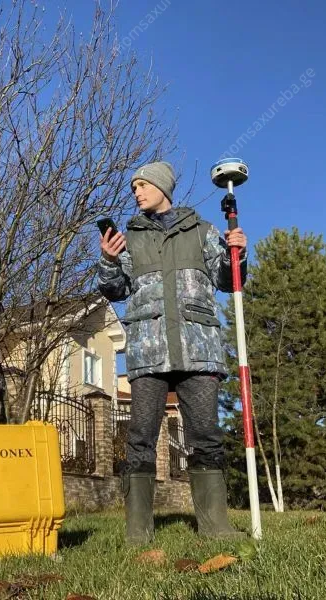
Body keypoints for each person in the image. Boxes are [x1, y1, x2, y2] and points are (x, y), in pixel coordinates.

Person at [97, 161, 247, 544]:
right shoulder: (130, 238)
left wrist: (237, 253)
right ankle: (138, 533)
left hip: (199, 348)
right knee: (140, 437)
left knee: (206, 434)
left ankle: (216, 527)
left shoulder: (202, 231)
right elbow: (115, 290)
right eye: (133, 188)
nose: (136, 192)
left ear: (163, 187)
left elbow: (229, 280)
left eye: (142, 185)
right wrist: (109, 261)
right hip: (147, 350)